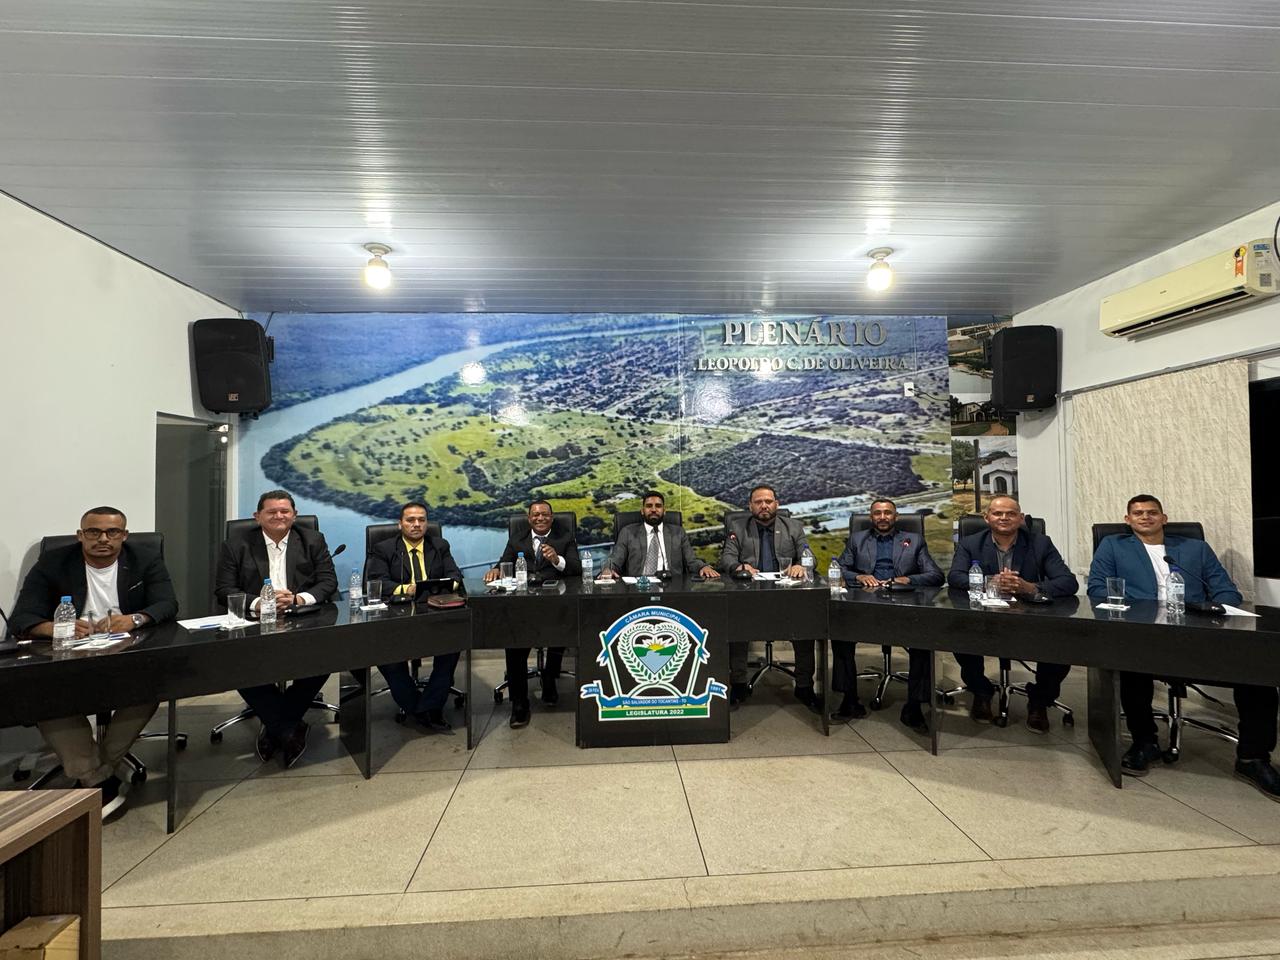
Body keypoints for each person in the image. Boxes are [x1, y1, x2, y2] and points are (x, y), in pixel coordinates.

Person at [1087, 494, 1280, 797]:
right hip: (1143, 634)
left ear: (1164, 518)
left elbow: (1227, 592)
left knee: (1258, 673)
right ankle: (1145, 742)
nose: (1145, 517)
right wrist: (1144, 613)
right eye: (1138, 513)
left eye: (1152, 512)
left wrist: (1209, 611)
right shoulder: (1113, 546)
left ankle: (1252, 758)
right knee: (1129, 666)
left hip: (1198, 635)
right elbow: (1098, 589)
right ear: (1127, 520)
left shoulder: (1195, 549)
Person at [10, 506, 178, 818]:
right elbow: (22, 618)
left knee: (151, 687)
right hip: (67, 656)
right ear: (80, 535)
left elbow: (167, 604)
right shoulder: (53, 563)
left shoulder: (145, 559)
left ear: (124, 536)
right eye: (93, 532)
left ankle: (95, 772)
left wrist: (135, 619)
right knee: (43, 696)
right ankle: (96, 776)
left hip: (126, 651)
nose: (103, 539)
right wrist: (53, 627)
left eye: (112, 532)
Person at [214, 489, 338, 767]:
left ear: (294, 515)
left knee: (325, 656)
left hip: (302, 616)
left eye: (285, 511)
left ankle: (276, 724)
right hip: (255, 620)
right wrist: (261, 602)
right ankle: (288, 727)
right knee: (238, 662)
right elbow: (224, 590)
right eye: (271, 512)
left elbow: (328, 582)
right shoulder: (236, 545)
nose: (279, 516)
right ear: (257, 516)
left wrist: (297, 599)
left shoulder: (313, 540)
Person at [946, 495, 1079, 732]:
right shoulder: (971, 543)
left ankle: (1039, 700)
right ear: (987, 518)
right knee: (959, 635)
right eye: (997, 513)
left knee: (1062, 643)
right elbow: (955, 577)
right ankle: (981, 691)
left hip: (1029, 618)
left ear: (1021, 518)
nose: (1004, 518)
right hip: (985, 617)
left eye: (1011, 513)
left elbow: (1068, 582)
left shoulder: (1040, 543)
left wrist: (1029, 587)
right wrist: (988, 582)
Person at [831, 498, 943, 731]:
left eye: (887, 513)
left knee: (923, 640)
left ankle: (914, 707)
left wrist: (908, 579)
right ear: (870, 517)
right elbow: (839, 568)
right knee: (840, 635)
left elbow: (935, 575)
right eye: (877, 513)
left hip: (902, 604)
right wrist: (859, 576)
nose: (882, 517)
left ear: (896, 516)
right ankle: (849, 700)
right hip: (865, 602)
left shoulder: (914, 540)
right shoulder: (857, 539)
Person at [718, 484, 819, 712]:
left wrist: (801, 565)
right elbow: (726, 559)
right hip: (749, 597)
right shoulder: (738, 527)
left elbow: (809, 557)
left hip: (786, 597)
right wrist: (739, 566)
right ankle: (739, 684)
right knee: (736, 627)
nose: (764, 506)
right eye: (758, 502)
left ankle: (804, 685)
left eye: (768, 501)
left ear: (777, 504)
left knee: (806, 628)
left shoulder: (793, 527)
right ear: (750, 506)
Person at [364, 501, 463, 731]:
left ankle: (428, 707)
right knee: (387, 657)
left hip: (434, 613)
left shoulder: (439, 545)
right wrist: (407, 589)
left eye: (421, 520)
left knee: (452, 647)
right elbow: (377, 582)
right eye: (410, 520)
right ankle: (419, 707)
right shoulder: (384, 548)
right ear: (400, 524)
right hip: (397, 615)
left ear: (427, 524)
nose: (416, 524)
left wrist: (445, 586)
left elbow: (455, 576)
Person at [483, 500, 581, 728]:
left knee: (561, 631)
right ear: (529, 519)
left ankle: (550, 677)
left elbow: (576, 569)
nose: (540, 518)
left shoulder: (565, 538)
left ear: (552, 517)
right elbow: (504, 562)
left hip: (555, 603)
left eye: (545, 514)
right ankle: (519, 703)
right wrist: (496, 569)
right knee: (514, 644)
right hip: (523, 606)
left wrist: (557, 560)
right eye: (535, 515)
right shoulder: (517, 538)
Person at [601, 491, 720, 581]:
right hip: (639, 587)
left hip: (672, 586)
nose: (653, 509)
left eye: (658, 506)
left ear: (664, 510)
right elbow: (615, 560)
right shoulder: (628, 532)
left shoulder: (678, 533)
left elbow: (691, 561)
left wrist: (702, 567)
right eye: (649, 506)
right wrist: (608, 569)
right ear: (642, 511)